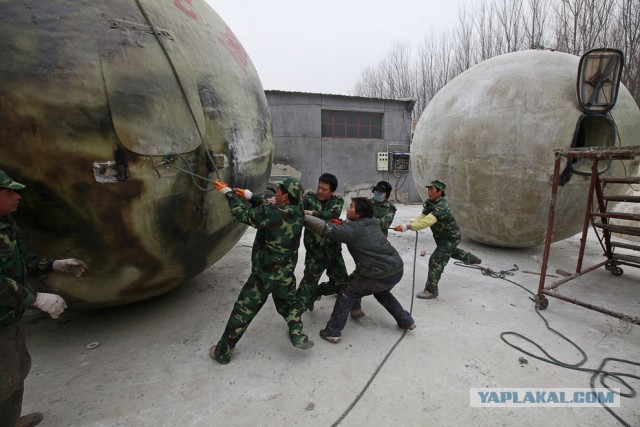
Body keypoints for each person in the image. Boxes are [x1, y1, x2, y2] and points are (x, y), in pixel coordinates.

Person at [0, 170, 87, 427]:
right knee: (4, 377)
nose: (17, 197)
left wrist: (54, 265)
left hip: (10, 315)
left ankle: (10, 421)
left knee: (18, 368)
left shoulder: (6, 222)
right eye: (8, 193)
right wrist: (35, 299)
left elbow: (21, 259)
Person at [209, 177, 313, 364]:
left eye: (280, 191)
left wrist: (229, 194)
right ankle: (297, 335)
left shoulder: (272, 213)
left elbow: (243, 215)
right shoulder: (297, 210)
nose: (277, 193)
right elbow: (269, 207)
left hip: (263, 276)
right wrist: (250, 195)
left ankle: (222, 352)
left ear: (286, 196)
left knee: (242, 312)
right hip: (286, 275)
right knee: (289, 306)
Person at [304, 197, 415, 343]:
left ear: (359, 213)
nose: (348, 209)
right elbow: (351, 227)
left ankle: (332, 331)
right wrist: (342, 223)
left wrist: (303, 217)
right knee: (382, 292)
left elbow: (326, 229)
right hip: (396, 270)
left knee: (347, 292)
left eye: (351, 207)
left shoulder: (354, 229)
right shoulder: (372, 222)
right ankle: (406, 320)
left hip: (378, 274)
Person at [394, 180, 481, 299]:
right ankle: (470, 258)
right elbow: (423, 217)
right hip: (440, 237)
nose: (429, 192)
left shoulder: (442, 206)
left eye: (432, 190)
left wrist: (408, 227)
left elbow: (428, 221)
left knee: (436, 260)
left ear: (440, 192)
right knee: (450, 252)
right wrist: (414, 222)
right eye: (428, 189)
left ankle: (431, 290)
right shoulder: (430, 203)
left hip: (450, 237)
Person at [296, 173, 348, 314]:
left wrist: (312, 213)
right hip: (315, 251)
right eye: (319, 187)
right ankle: (294, 315)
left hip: (333, 251)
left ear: (331, 191)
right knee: (308, 284)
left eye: (324, 189)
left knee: (342, 282)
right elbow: (297, 209)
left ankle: (318, 292)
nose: (319, 191)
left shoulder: (337, 200)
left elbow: (333, 215)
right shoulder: (308, 197)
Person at [348, 180, 398, 319]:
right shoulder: (367, 204)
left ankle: (349, 294)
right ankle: (355, 306)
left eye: (381, 192)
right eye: (376, 191)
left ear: (387, 195)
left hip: (378, 247)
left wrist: (364, 221)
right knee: (360, 271)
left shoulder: (390, 209)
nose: (377, 194)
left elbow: (384, 223)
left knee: (366, 274)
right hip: (362, 244)